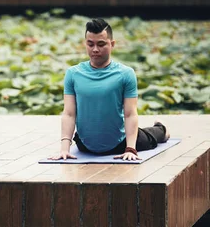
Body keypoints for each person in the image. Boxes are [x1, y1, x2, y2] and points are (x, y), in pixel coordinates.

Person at [49, 18, 169, 161]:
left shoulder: (126, 74)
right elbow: (69, 114)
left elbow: (130, 114)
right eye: (90, 44)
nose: (95, 49)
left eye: (101, 44)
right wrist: (64, 149)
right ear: (85, 44)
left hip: (120, 142)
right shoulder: (73, 74)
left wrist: (130, 149)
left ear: (112, 44)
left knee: (149, 137)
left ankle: (162, 129)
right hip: (85, 145)